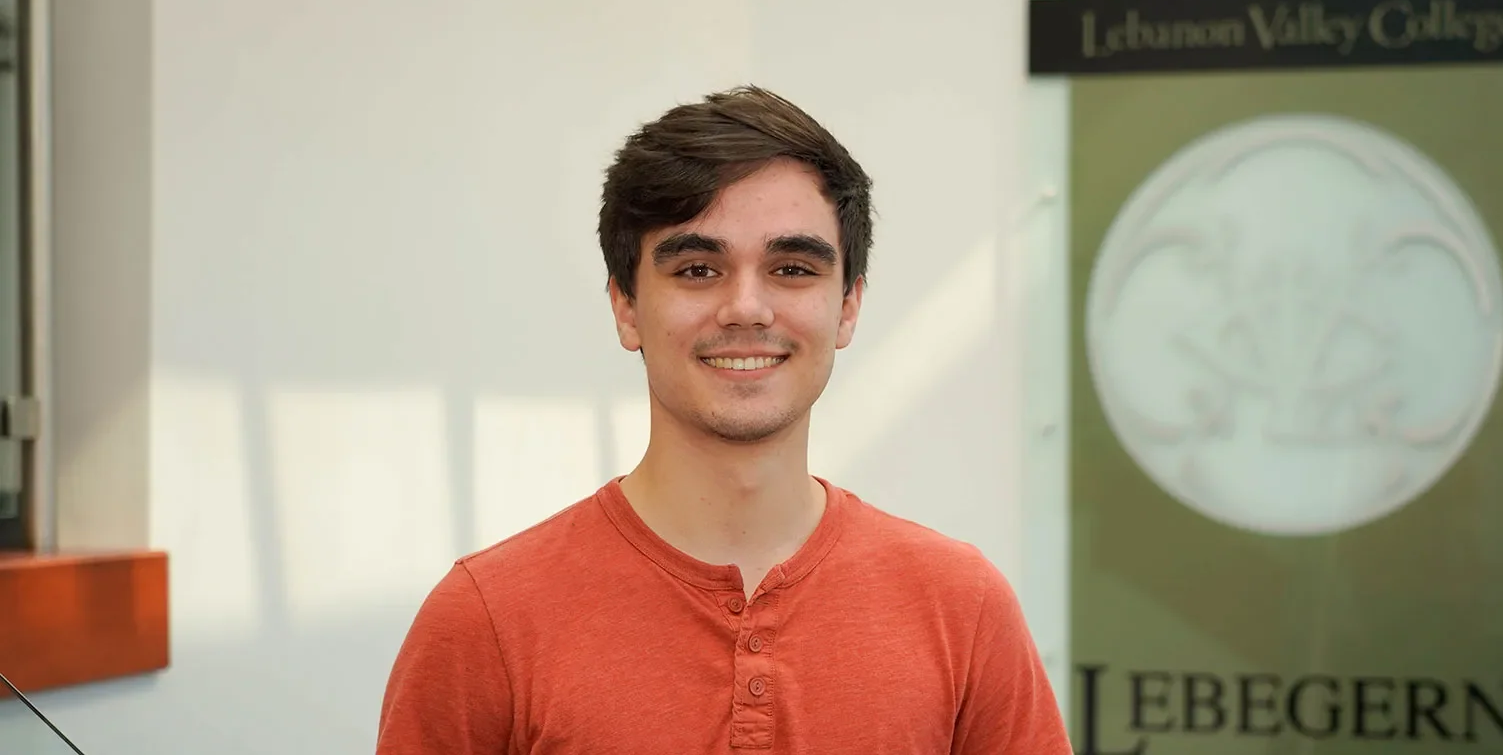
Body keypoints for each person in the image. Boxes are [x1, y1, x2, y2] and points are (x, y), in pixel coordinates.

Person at [374, 86, 1073, 754]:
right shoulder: (485, 620)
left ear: (849, 307)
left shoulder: (962, 607)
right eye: (699, 270)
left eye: (794, 268)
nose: (746, 308)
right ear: (625, 305)